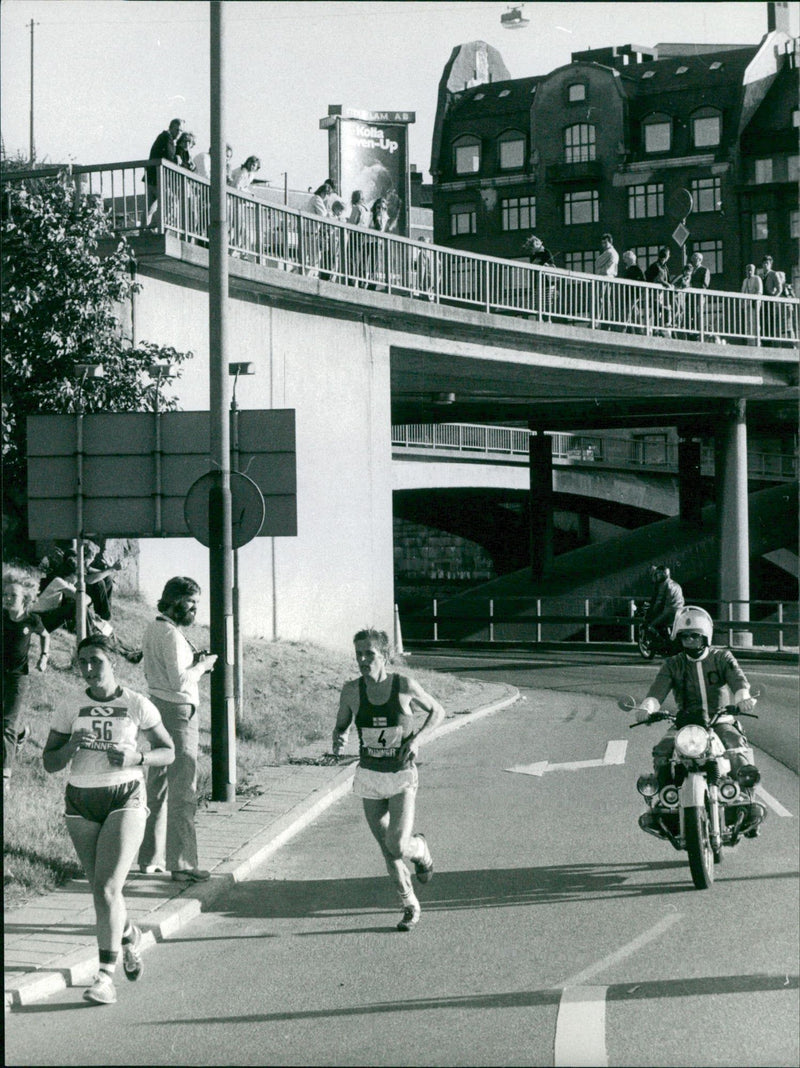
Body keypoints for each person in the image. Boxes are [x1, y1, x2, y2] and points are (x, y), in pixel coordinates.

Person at [42, 634, 175, 1004]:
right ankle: (130, 935)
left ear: (112, 661)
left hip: (125, 795)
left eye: (96, 661)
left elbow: (169, 751)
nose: (88, 669)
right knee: (102, 892)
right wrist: (70, 747)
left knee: (106, 889)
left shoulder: (136, 704)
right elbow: (49, 762)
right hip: (80, 799)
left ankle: (105, 978)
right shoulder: (70, 704)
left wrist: (137, 759)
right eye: (82, 662)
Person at [328, 628, 445, 931]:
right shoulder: (351, 690)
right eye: (358, 654)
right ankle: (409, 904)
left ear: (385, 656)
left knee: (398, 844)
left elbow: (438, 711)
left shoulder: (404, 686)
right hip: (369, 775)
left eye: (370, 654)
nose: (363, 660)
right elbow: (342, 724)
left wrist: (418, 739)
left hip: (401, 775)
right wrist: (338, 737)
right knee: (387, 848)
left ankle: (420, 849)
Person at [634, 606, 763, 837]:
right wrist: (647, 707)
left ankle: (748, 803)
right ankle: (664, 804)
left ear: (705, 636)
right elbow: (657, 691)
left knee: (734, 747)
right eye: (684, 636)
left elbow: (738, 680)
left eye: (694, 635)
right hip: (686, 724)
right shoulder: (673, 664)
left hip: (720, 718)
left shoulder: (722, 657)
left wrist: (743, 698)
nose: (689, 640)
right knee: (663, 750)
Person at [138, 577, 217, 883]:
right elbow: (180, 682)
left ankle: (150, 858)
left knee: (157, 788)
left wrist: (192, 664)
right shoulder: (171, 634)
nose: (194, 608)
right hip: (179, 713)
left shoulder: (154, 627)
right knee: (184, 789)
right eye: (190, 601)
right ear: (172, 599)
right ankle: (182, 864)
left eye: (196, 602)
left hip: (156, 708)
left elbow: (160, 671)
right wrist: (204, 666)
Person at [3, 569, 49, 788]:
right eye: (5, 595)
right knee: (7, 723)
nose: (8, 599)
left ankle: (5, 775)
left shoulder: (32, 620)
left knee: (6, 724)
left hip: (17, 678)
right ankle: (22, 734)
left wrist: (44, 657)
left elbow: (45, 635)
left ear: (26, 599)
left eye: (13, 595)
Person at [32, 551, 121, 637]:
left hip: (46, 614)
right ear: (71, 575)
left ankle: (95, 631)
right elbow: (84, 599)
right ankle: (91, 635)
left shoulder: (66, 583)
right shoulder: (59, 582)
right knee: (76, 606)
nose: (78, 581)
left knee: (78, 606)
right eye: (77, 577)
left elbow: (85, 599)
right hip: (38, 617)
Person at [145, 118, 183, 226]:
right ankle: (159, 228)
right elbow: (169, 156)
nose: (179, 133)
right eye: (177, 130)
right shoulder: (167, 137)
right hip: (158, 178)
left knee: (150, 206)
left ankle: (145, 230)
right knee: (171, 203)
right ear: (171, 128)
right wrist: (176, 159)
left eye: (180, 131)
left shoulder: (164, 137)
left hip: (152, 177)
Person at [644, 564, 684, 647]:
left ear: (662, 575)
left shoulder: (664, 585)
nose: (657, 576)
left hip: (669, 612)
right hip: (680, 611)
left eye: (658, 574)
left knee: (651, 625)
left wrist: (652, 611)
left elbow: (659, 601)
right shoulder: (676, 584)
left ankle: (660, 644)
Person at [645, 247, 672, 335]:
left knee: (662, 310)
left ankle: (661, 328)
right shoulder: (655, 266)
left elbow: (667, 278)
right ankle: (657, 330)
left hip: (662, 294)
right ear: (666, 256)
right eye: (668, 255)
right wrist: (665, 283)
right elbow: (656, 278)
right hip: (654, 293)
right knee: (657, 310)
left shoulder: (665, 267)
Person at [594, 233, 619, 324]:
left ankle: (598, 319)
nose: (603, 245)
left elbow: (597, 262)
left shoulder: (609, 252)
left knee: (600, 298)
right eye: (602, 243)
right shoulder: (615, 253)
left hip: (604, 277)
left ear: (610, 242)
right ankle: (606, 318)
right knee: (606, 299)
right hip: (610, 277)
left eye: (605, 242)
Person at [348, 190, 371, 285]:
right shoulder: (367, 209)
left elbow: (352, 222)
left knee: (352, 257)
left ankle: (351, 280)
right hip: (364, 234)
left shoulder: (357, 208)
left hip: (355, 234)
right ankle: (361, 282)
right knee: (361, 258)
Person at [621, 250, 645, 332]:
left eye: (625, 259)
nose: (624, 261)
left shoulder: (636, 269)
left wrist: (640, 293)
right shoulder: (630, 269)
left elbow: (643, 281)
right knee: (635, 312)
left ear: (629, 259)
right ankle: (640, 330)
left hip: (634, 294)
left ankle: (623, 328)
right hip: (630, 294)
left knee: (628, 311)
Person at [740, 263, 763, 345]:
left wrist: (754, 299)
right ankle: (749, 342)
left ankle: (757, 342)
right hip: (747, 305)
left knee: (755, 323)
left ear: (753, 271)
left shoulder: (757, 278)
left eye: (751, 270)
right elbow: (742, 292)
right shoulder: (745, 280)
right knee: (748, 324)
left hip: (754, 304)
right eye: (748, 270)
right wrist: (742, 303)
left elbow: (759, 291)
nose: (749, 272)